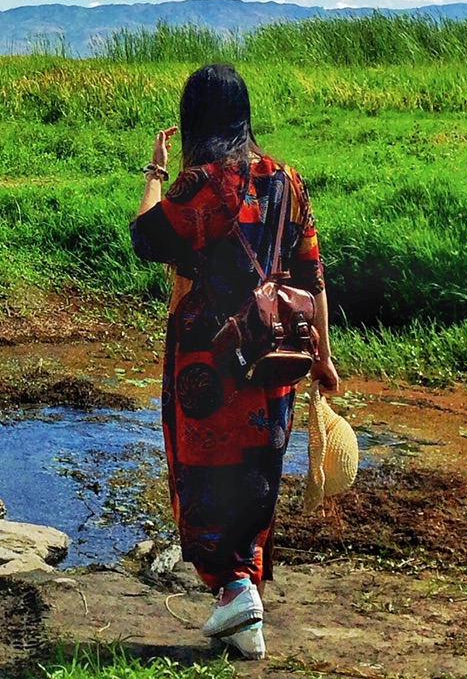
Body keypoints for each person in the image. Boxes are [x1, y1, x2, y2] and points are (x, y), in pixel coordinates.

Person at [129, 62, 339, 661]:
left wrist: (154, 169)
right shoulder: (287, 180)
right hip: (272, 357)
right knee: (254, 473)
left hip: (207, 364)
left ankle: (233, 590)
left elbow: (146, 238)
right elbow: (311, 275)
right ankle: (242, 600)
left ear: (195, 117)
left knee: (201, 474)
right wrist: (323, 357)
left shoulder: (199, 184)